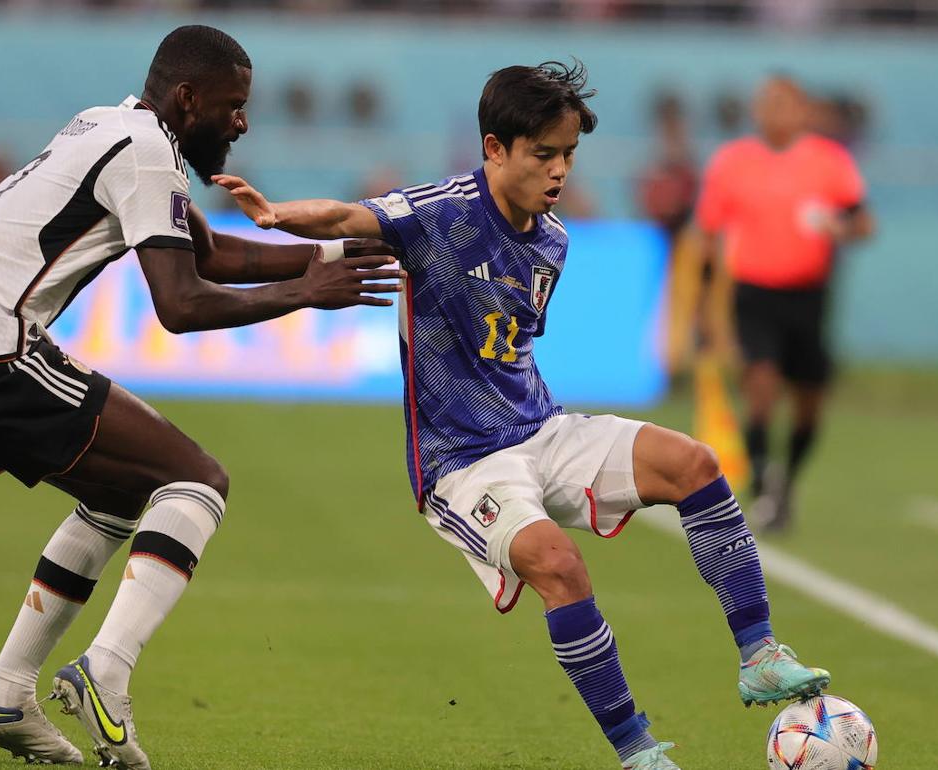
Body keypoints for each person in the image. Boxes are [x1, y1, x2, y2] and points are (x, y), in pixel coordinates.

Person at [215, 61, 830, 770]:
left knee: (694, 463)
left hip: (542, 428)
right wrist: (272, 216)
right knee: (558, 564)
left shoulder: (553, 241)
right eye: (544, 153)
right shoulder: (439, 212)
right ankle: (638, 752)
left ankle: (759, 654)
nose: (560, 168)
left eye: (568, 153)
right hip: (462, 461)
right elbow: (350, 216)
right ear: (495, 148)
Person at [0, 25, 403, 769]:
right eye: (233, 106)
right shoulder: (145, 149)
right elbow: (181, 302)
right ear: (187, 98)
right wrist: (301, 293)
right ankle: (107, 669)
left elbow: (212, 253)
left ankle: (6, 691)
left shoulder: (114, 125)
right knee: (198, 480)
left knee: (123, 493)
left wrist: (336, 252)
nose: (243, 123)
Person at [696, 74, 875, 531]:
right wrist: (703, 303)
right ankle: (761, 478)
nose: (775, 112)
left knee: (809, 400)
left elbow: (863, 222)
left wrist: (843, 230)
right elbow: (709, 234)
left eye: (785, 103)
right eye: (767, 103)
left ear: (801, 111)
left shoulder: (828, 162)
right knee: (760, 383)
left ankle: (786, 481)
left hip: (808, 297)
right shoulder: (733, 162)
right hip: (755, 293)